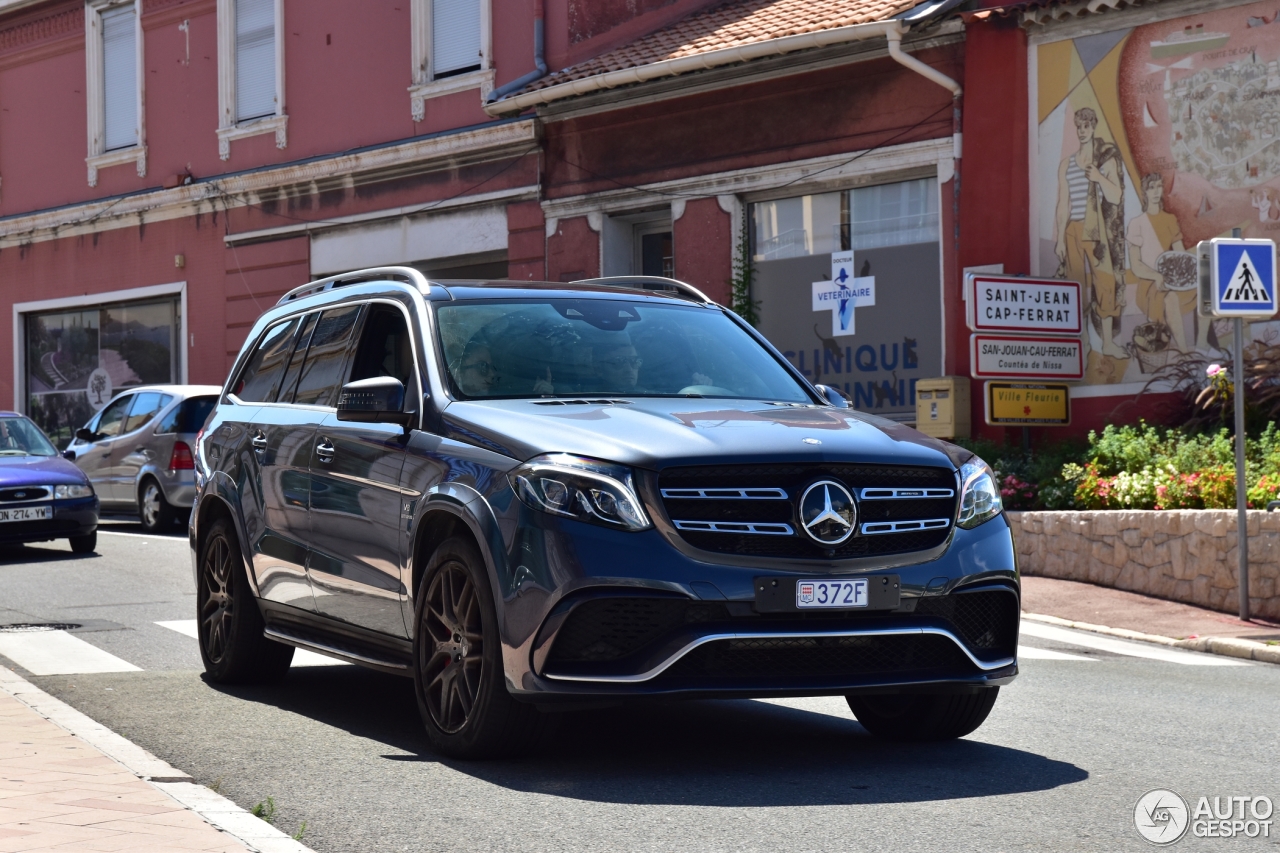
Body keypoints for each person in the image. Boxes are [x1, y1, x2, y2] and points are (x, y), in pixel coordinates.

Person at [1056, 106, 1128, 361]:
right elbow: (1063, 203)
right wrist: (1059, 240)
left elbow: (1116, 196)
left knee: (1105, 284)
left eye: (1086, 126)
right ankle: (1084, 342)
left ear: (1094, 126)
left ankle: (1107, 343)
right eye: (1079, 126)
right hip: (1073, 230)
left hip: (1096, 227)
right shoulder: (1066, 164)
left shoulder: (1105, 159)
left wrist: (1098, 177)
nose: (1082, 131)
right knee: (1077, 288)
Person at [1127, 173, 1202, 352]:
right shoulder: (1136, 223)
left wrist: (1191, 273)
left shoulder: (1169, 219)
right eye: (1151, 187)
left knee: (1207, 287)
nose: (1155, 191)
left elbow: (1180, 255)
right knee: (1170, 298)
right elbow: (1136, 265)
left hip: (1171, 279)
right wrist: (1155, 275)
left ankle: (1204, 343)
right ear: (1144, 191)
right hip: (1149, 283)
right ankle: (1183, 350)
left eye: (1159, 186)